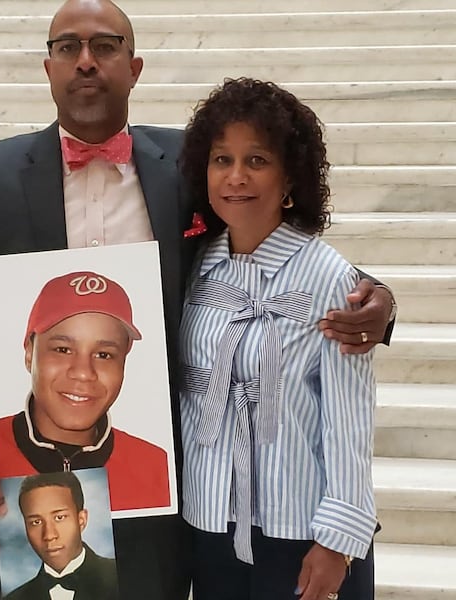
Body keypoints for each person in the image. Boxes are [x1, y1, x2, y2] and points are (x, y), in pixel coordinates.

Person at [0, 1, 395, 599]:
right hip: (33, 479)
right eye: (68, 47)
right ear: (48, 68)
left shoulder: (190, 165)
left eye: (106, 46)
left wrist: (375, 297)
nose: (86, 62)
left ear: (135, 66)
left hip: (171, 479)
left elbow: (270, 243)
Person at [179, 77, 378, 600]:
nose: (236, 177)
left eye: (257, 161)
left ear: (290, 176)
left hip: (302, 530)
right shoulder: (196, 269)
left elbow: (349, 420)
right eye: (222, 159)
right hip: (209, 520)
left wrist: (339, 538)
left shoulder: (330, 278)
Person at [0, 270, 171, 512]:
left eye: (104, 355)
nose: (84, 372)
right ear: (29, 353)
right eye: (63, 349)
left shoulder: (156, 466)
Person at [4, 471, 118, 600]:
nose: (49, 535)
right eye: (36, 522)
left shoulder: (121, 576)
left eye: (59, 517)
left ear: (81, 520)